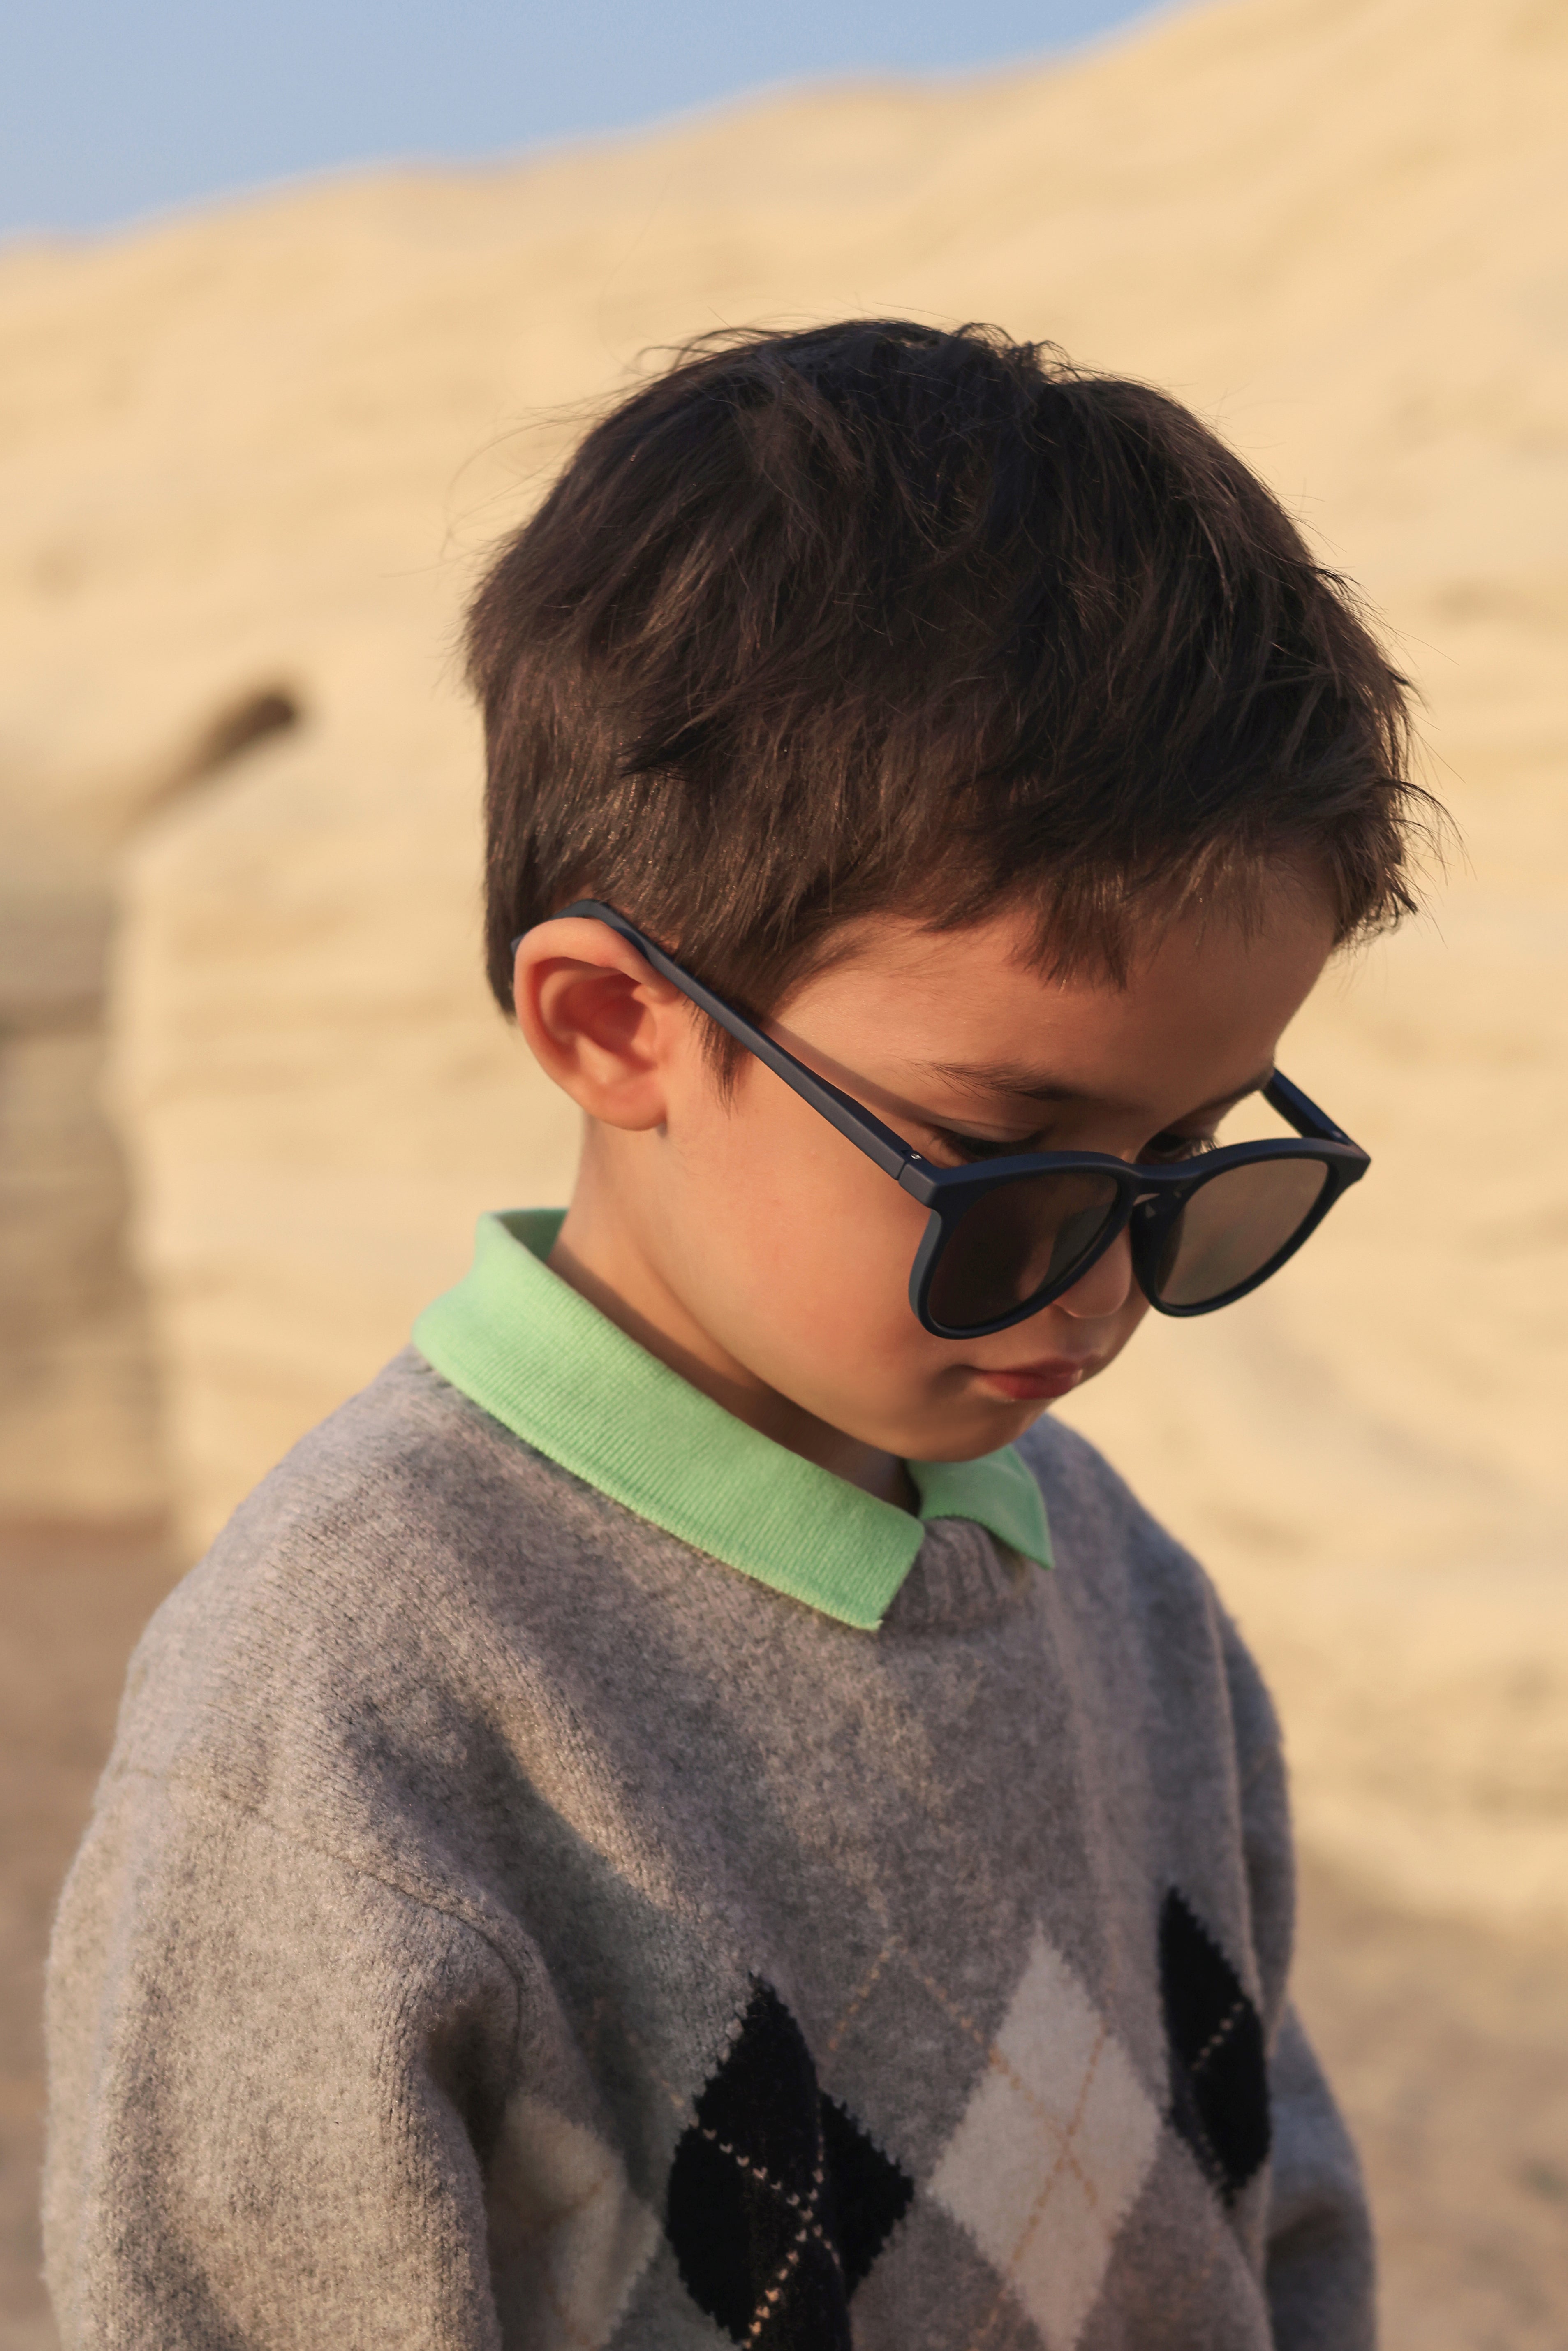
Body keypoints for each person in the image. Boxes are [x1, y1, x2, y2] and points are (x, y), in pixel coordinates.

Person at [44, 320, 1432, 2350]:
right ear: (616, 1023)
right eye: (1005, 1157)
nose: (1104, 1284)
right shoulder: (347, 1699)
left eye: (1188, 1157)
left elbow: (1273, 2217)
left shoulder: (1123, 1589)